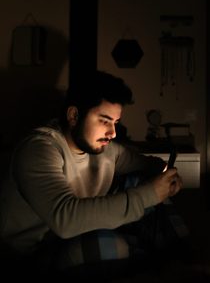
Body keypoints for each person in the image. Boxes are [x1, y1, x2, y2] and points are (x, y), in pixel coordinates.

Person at [0, 71, 194, 279]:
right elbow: (65, 219)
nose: (113, 133)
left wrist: (164, 173)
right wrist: (150, 194)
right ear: (74, 115)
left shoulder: (106, 150)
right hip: (30, 258)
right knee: (110, 245)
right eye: (104, 121)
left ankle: (184, 261)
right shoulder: (39, 149)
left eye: (115, 123)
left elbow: (143, 163)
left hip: (70, 240)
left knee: (143, 182)